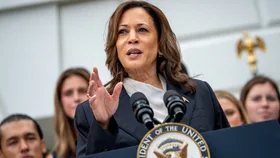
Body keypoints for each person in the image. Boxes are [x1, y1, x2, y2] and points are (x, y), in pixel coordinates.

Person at [74, 1, 229, 156]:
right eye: (123, 32)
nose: (132, 38)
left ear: (160, 44)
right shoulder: (91, 113)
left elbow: (230, 147)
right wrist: (103, 124)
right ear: (116, 47)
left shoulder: (200, 93)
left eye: (142, 30)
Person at [47, 67, 90, 158]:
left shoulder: (114, 138)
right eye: (68, 93)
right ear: (60, 101)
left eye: (82, 91)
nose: (76, 98)